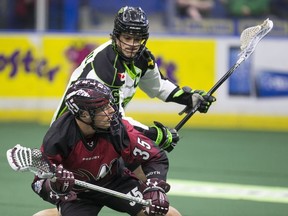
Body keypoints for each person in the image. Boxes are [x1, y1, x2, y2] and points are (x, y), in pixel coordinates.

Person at [52, 5, 216, 153]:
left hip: (101, 131)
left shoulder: (142, 58)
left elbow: (158, 87)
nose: (132, 44)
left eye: (138, 39)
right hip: (71, 138)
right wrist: (155, 135)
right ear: (116, 36)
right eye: (127, 38)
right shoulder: (105, 65)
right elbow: (114, 120)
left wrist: (189, 98)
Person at [31, 78, 182, 216]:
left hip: (116, 181)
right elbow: (39, 183)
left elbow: (155, 156)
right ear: (84, 115)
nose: (111, 110)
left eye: (109, 104)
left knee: (168, 214)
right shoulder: (58, 138)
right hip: (78, 194)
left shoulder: (116, 127)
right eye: (102, 108)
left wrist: (155, 186)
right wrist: (57, 186)